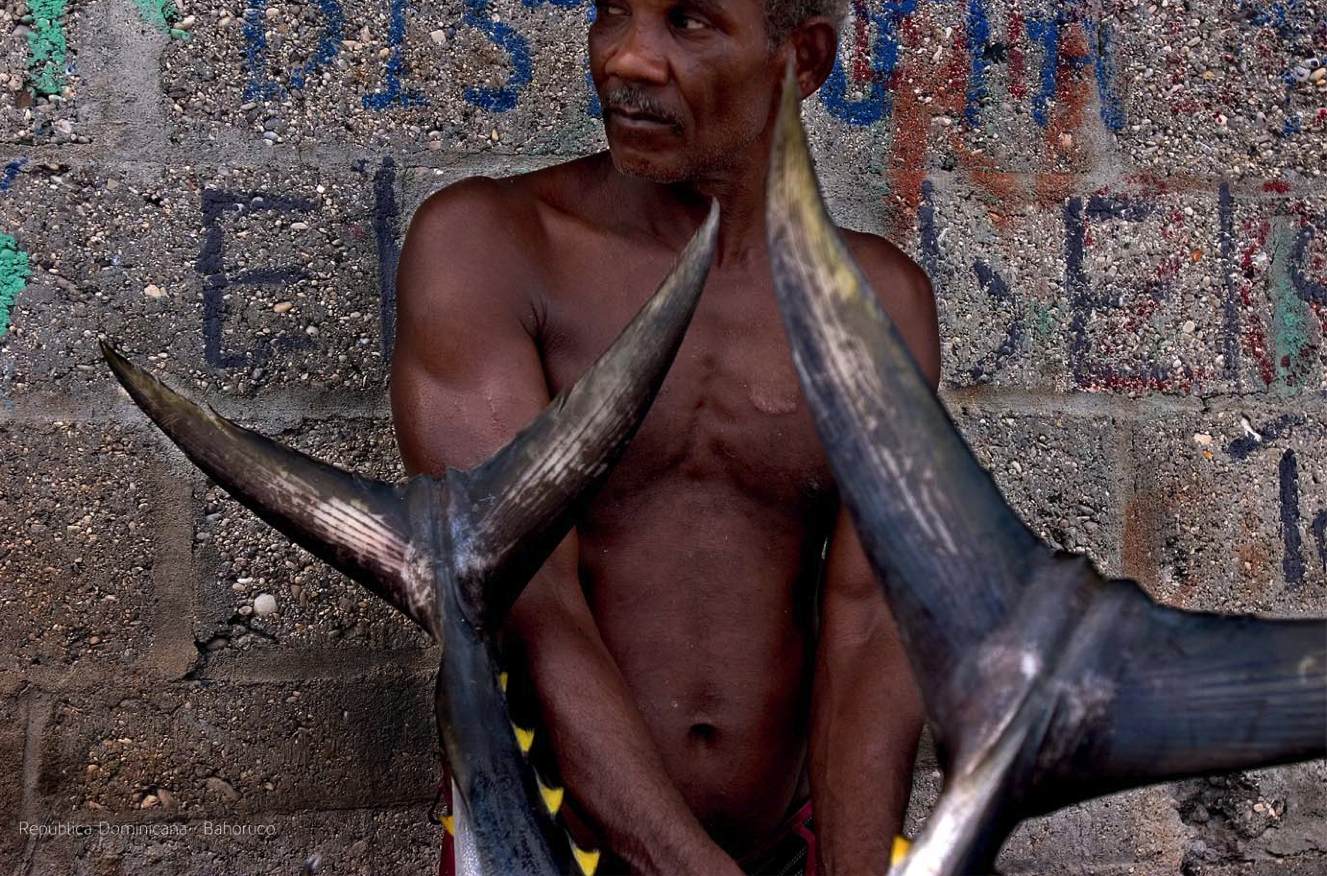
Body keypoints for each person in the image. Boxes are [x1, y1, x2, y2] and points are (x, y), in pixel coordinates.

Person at [389, 0, 941, 871]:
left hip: (783, 845)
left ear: (802, 59)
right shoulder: (488, 248)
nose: (627, 59)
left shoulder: (877, 305)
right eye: (612, 12)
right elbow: (524, 604)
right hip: (547, 841)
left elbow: (871, 624)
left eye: (687, 22)